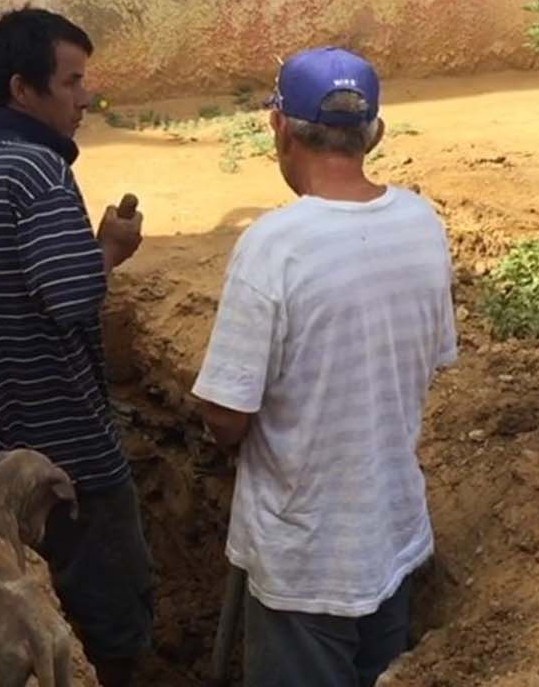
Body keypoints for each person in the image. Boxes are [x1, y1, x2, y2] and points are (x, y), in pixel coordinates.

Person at [191, 47, 459, 687]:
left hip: (304, 561)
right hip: (390, 537)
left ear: (279, 129)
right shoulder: (423, 225)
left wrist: (223, 435)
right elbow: (431, 357)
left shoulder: (273, 247)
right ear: (376, 133)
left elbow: (226, 412)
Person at [0, 8, 152, 687]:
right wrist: (110, 250)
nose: (84, 98)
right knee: (113, 613)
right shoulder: (39, 173)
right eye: (71, 82)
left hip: (1, 441)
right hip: (65, 454)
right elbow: (69, 295)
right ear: (21, 90)